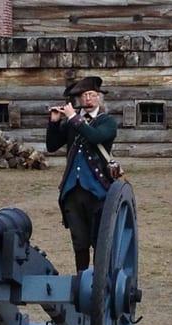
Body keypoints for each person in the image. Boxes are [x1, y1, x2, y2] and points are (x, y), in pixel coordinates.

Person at [45, 76, 117, 273]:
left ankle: (100, 281)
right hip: (72, 190)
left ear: (99, 98)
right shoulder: (72, 122)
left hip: (97, 190)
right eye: (84, 96)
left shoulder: (107, 122)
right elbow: (52, 146)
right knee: (80, 242)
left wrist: (73, 118)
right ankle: (82, 282)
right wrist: (53, 123)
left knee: (98, 241)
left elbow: (95, 137)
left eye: (92, 95)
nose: (88, 99)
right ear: (78, 100)